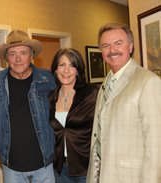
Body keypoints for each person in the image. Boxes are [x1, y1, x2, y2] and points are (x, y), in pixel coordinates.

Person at [87, 22, 161, 183]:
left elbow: (156, 146)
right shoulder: (104, 85)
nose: (112, 50)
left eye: (118, 43)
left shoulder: (148, 82)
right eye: (106, 46)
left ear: (131, 46)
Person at [0, 30, 56, 183]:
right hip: (11, 167)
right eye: (12, 54)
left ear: (32, 56)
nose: (18, 59)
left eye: (23, 53)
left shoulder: (47, 79)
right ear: (6, 59)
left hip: (44, 164)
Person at [49, 48, 98, 183]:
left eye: (72, 66)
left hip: (86, 169)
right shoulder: (49, 97)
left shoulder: (93, 94)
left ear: (78, 70)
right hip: (59, 168)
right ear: (55, 69)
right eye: (62, 65)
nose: (66, 71)